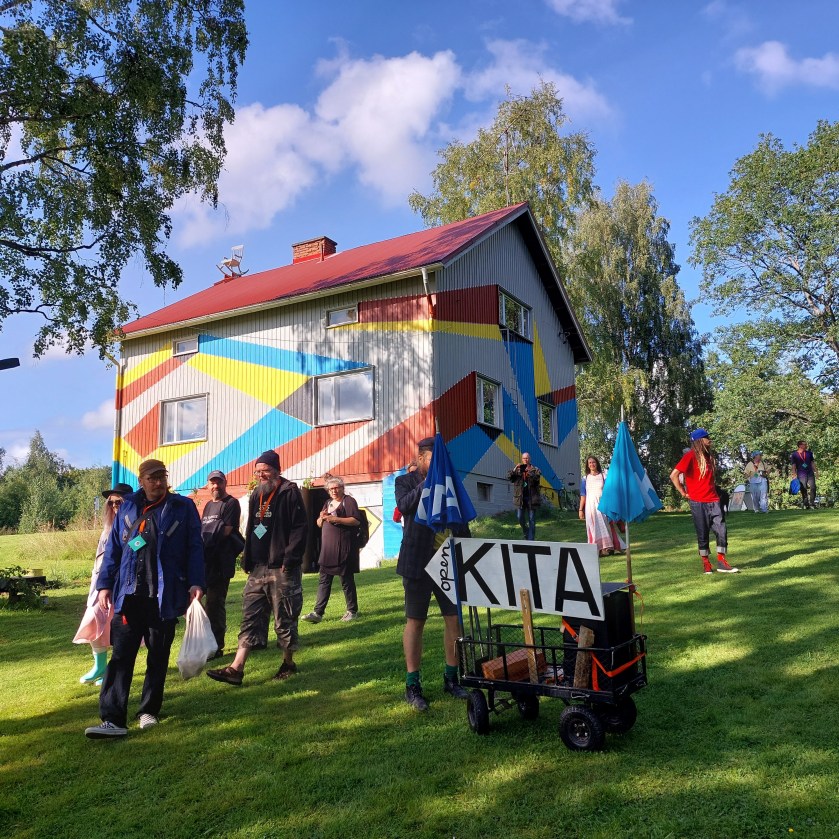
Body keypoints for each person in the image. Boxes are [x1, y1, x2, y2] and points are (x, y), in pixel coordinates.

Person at [84, 460, 204, 738]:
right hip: (129, 595)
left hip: (164, 595)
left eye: (162, 476)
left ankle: (148, 711)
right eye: (152, 478)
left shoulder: (183, 507)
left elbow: (195, 547)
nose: (158, 482)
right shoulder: (127, 506)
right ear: (141, 480)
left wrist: (196, 582)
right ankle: (112, 719)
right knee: (121, 656)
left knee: (158, 655)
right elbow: (113, 549)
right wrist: (104, 585)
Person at [207, 450, 307, 686]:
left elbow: (300, 528)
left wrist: (290, 558)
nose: (261, 475)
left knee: (285, 617)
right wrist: (247, 557)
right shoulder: (256, 494)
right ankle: (236, 668)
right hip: (258, 567)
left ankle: (288, 663)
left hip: (282, 567)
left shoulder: (289, 492)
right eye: (258, 471)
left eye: (266, 470)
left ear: (277, 470)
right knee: (250, 614)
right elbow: (252, 527)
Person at [396, 437, 471, 711]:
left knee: (454, 619)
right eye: (434, 458)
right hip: (417, 561)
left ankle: (452, 678)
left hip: (447, 561)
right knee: (416, 622)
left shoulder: (451, 482)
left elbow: (461, 519)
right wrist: (427, 484)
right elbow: (404, 506)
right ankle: (412, 685)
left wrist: (467, 553)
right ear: (421, 458)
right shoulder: (405, 481)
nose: (441, 462)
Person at [73, 482, 133, 685]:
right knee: (93, 618)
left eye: (118, 502)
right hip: (101, 583)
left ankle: (112, 670)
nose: (114, 506)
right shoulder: (108, 526)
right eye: (111, 503)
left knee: (117, 626)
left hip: (122, 584)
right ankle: (99, 665)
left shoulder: (133, 524)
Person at [670, 429, 739, 575]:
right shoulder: (689, 456)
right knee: (702, 533)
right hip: (698, 501)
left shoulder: (709, 457)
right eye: (707, 437)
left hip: (713, 500)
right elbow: (674, 475)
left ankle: (721, 562)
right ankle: (706, 563)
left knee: (721, 530)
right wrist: (683, 492)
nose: (710, 440)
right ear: (700, 440)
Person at [302, 476, 360, 624]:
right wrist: (321, 518)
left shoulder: (348, 501)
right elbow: (319, 524)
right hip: (328, 551)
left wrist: (336, 519)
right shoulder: (327, 503)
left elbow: (355, 520)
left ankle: (352, 611)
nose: (334, 491)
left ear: (342, 488)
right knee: (324, 581)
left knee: (346, 580)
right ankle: (318, 613)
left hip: (343, 548)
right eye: (331, 489)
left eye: (336, 488)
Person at [200, 470, 244, 658]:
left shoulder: (231, 503)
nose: (216, 486)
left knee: (214, 604)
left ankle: (217, 646)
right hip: (206, 561)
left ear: (225, 483)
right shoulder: (208, 505)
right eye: (212, 483)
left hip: (221, 562)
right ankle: (205, 642)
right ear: (208, 485)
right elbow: (205, 530)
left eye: (219, 482)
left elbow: (226, 530)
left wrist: (206, 537)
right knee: (199, 603)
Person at [578, 456, 625, 557]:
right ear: (587, 465)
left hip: (602, 505)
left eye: (593, 462)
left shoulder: (603, 476)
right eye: (590, 463)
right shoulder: (585, 479)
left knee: (606, 526)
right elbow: (583, 495)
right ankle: (597, 549)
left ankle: (608, 547)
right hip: (590, 507)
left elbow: (610, 491)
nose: (592, 464)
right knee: (593, 527)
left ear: (597, 463)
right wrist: (580, 509)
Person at [507, 452, 542, 540]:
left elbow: (536, 479)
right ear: (522, 459)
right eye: (524, 458)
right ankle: (526, 531)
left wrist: (528, 472)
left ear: (529, 459)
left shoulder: (535, 469)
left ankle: (531, 540)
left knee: (532, 519)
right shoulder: (518, 470)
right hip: (520, 498)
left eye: (527, 458)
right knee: (519, 517)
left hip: (531, 498)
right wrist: (515, 468)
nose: (525, 460)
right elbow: (509, 477)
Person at [790, 440, 818, 509]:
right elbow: (793, 465)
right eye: (804, 444)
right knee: (803, 488)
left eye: (806, 444)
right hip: (801, 474)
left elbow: (812, 463)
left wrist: (816, 472)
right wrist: (794, 474)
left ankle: (812, 503)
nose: (806, 445)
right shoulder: (794, 454)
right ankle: (806, 504)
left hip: (810, 473)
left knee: (813, 487)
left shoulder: (809, 453)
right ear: (800, 446)